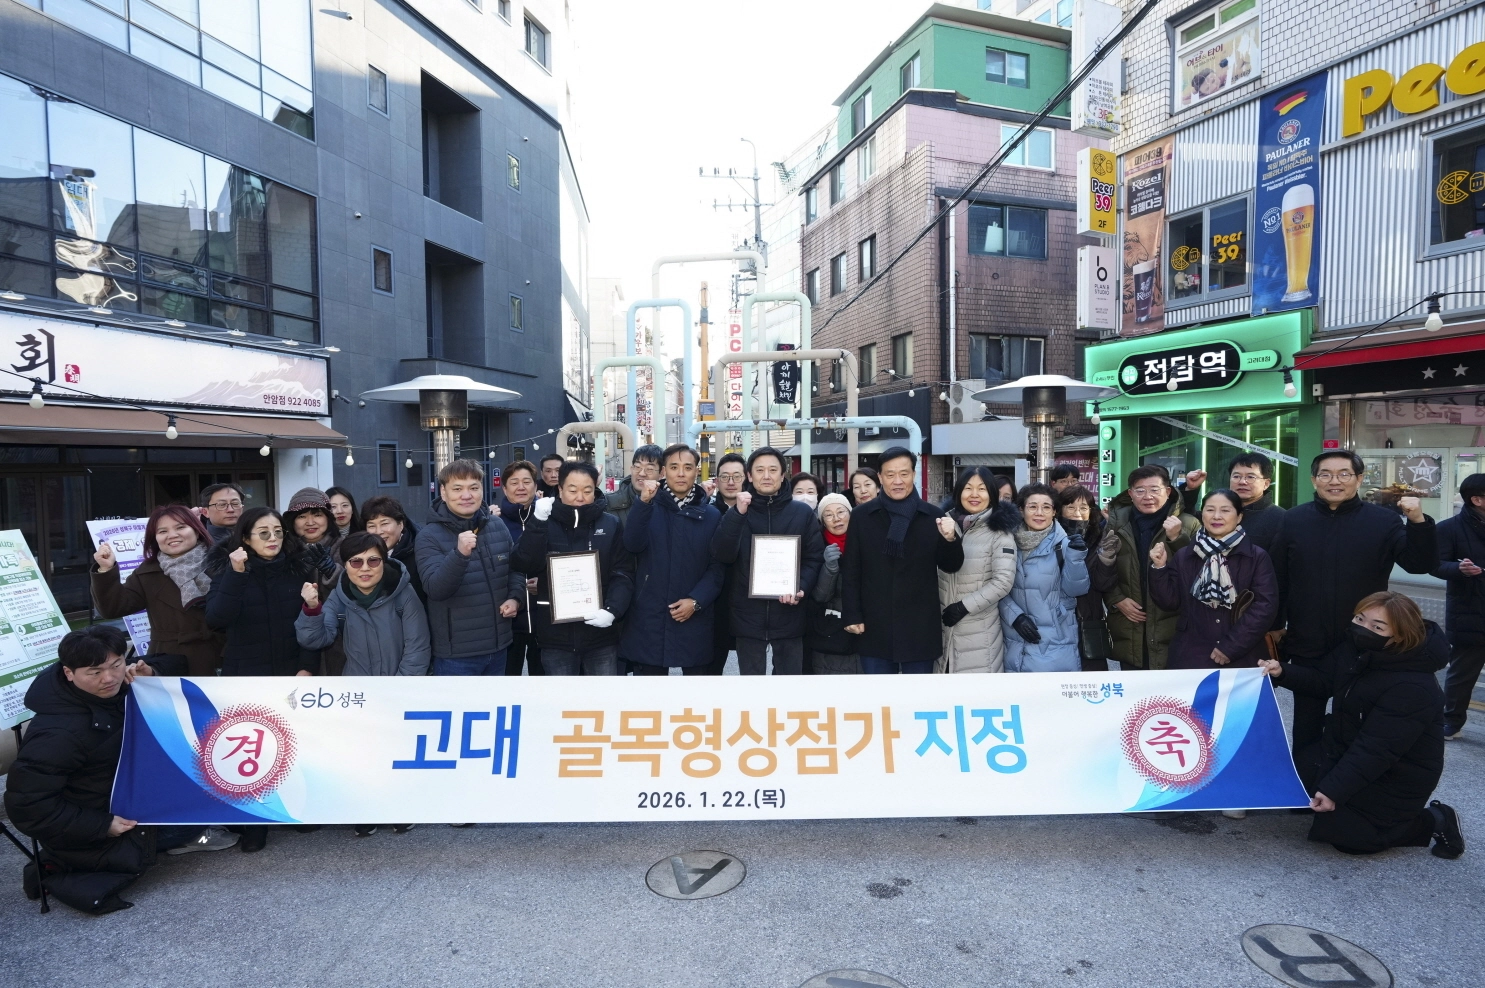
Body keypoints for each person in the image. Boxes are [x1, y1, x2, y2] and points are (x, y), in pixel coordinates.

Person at [3, 627, 236, 913]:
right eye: (95, 672)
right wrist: (102, 826)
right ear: (68, 673)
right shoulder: (56, 733)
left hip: (130, 793)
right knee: (218, 803)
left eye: (116, 665)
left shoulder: (114, 685)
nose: (109, 678)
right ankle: (187, 836)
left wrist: (149, 674)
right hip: (104, 828)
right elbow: (26, 805)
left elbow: (174, 660)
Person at [1260, 592, 1464, 859]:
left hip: (1396, 775)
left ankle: (1436, 819)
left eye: (1377, 626)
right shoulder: (1357, 650)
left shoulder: (1414, 686)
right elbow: (1323, 680)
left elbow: (1376, 749)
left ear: (1400, 635)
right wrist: (1283, 672)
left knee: (1349, 839)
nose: (1363, 628)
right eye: (1360, 618)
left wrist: (1333, 790)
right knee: (1288, 782)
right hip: (1344, 750)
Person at [1270, 450, 1438, 748]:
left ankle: (1343, 787)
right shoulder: (1294, 519)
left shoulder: (1384, 521)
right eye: (1326, 474)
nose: (1335, 481)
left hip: (1364, 643)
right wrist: (1275, 624)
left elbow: (1418, 563)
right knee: (1306, 725)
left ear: (1359, 478)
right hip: (1308, 640)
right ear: (1314, 479)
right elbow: (1278, 578)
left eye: (1344, 474)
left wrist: (1418, 522)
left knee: (1357, 722)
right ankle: (1306, 784)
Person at [297, 532, 429, 837]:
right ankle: (364, 810)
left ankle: (399, 808)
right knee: (361, 752)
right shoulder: (339, 597)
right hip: (356, 691)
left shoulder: (404, 594)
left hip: (397, 688)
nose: (365, 568)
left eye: (373, 560)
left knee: (397, 752)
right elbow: (316, 638)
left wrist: (398, 689)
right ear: (346, 565)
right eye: (356, 561)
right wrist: (312, 609)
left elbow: (417, 646)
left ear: (384, 561)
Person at [205, 508, 319, 853]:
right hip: (247, 674)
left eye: (278, 532)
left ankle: (300, 811)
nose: (273, 540)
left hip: (291, 669)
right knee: (253, 747)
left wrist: (307, 666)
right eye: (263, 533)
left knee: (297, 744)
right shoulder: (230, 571)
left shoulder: (298, 568)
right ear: (245, 538)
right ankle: (255, 822)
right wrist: (236, 574)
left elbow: (311, 623)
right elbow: (216, 618)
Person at [842, 447, 964, 674]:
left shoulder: (932, 516)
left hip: (919, 627)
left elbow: (951, 565)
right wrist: (852, 614)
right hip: (874, 623)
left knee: (917, 701)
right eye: (890, 475)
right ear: (879, 477)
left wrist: (950, 540)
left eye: (904, 474)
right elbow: (851, 570)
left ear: (914, 475)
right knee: (880, 702)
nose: (897, 481)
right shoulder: (861, 516)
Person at [512, 462, 634, 676]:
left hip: (601, 636)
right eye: (572, 490)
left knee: (602, 703)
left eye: (587, 490)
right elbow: (524, 563)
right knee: (561, 704)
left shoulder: (610, 524)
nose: (580, 496)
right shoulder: (544, 521)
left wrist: (613, 610)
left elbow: (622, 573)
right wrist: (537, 522)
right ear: (560, 489)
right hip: (555, 637)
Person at [711, 447, 825, 676]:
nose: (766, 476)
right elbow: (722, 554)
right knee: (752, 688)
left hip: (790, 613)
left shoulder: (801, 513)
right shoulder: (737, 511)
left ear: (783, 475)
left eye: (773, 470)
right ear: (750, 476)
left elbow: (814, 558)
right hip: (747, 614)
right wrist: (737, 515)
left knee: (789, 685)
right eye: (759, 470)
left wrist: (800, 586)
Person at [621, 443, 724, 676]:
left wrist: (696, 600)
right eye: (673, 467)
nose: (680, 473)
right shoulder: (648, 506)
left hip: (695, 616)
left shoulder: (711, 515)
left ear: (696, 471)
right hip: (650, 615)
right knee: (649, 697)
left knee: (695, 698)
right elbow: (632, 544)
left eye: (687, 467)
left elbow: (717, 567)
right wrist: (643, 503)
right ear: (663, 471)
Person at [415, 459, 523, 676]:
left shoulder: (496, 525)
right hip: (456, 655)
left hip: (499, 645)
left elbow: (514, 569)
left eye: (473, 488)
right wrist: (459, 555)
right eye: (457, 489)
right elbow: (435, 589)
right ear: (443, 493)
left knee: (494, 708)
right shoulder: (428, 536)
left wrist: (515, 597)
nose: (466, 495)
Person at [1148, 489, 1278, 670]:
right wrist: (1159, 568)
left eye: (1225, 510)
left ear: (1239, 517)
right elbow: (1169, 602)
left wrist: (1231, 646)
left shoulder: (1256, 556)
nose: (1217, 516)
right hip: (1191, 654)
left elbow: (1265, 607)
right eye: (1210, 510)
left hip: (1242, 655)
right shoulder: (1186, 554)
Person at [91, 505, 221, 677]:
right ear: (155, 538)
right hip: (172, 662)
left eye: (181, 527)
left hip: (223, 655)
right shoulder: (148, 572)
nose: (172, 535)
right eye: (162, 531)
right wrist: (105, 570)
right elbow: (112, 608)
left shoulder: (222, 562)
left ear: (197, 530)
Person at [1102, 465, 1200, 670]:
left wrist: (1177, 539)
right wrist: (1116, 599)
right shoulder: (1117, 524)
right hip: (1129, 624)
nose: (1148, 496)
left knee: (1172, 699)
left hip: (1172, 625)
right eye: (1140, 490)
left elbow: (1197, 573)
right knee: (1133, 696)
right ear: (1130, 494)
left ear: (1168, 491)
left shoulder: (1189, 524)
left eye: (1155, 489)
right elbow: (1103, 569)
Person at [998, 484, 1090, 673]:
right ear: (1021, 509)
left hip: (1055, 642)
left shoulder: (1064, 544)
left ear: (1055, 512)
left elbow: (1077, 590)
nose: (1039, 513)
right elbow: (996, 587)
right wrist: (1015, 617)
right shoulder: (1004, 542)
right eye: (1032, 506)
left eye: (1046, 507)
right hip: (1012, 640)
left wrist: (1076, 556)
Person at [936, 467, 1018, 674]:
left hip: (979, 632)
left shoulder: (1000, 532)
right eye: (968, 488)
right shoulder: (944, 524)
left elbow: (1002, 582)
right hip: (943, 629)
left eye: (981, 489)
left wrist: (963, 607)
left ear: (991, 494)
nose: (974, 495)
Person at [1431, 472, 1485, 740]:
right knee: (1462, 674)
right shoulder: (1449, 528)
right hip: (1469, 611)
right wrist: (1458, 569)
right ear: (1477, 500)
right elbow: (1434, 564)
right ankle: (1451, 722)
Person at [282, 488, 344, 674]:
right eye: (301, 516)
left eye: (317, 515)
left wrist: (333, 571)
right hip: (292, 641)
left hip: (337, 640)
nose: (310, 522)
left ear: (328, 518)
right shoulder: (282, 551)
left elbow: (359, 590)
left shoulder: (345, 547)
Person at [1175, 454, 1286, 553]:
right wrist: (1190, 489)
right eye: (1236, 476)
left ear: (1266, 483)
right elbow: (1188, 519)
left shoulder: (1281, 519)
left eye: (1251, 477)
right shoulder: (1215, 513)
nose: (1242, 481)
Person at [1058, 484, 1117, 673]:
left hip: (1088, 621)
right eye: (1071, 507)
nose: (1077, 513)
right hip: (1055, 621)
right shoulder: (1051, 537)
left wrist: (1107, 559)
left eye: (1083, 508)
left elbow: (1104, 584)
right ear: (1060, 510)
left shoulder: (1101, 538)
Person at [494, 460, 544, 677]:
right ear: (504, 488)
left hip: (544, 619)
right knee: (507, 684)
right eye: (514, 483)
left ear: (535, 486)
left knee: (542, 686)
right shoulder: (493, 522)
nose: (521, 487)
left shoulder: (548, 519)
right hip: (506, 620)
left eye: (526, 481)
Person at [705, 452, 748, 675]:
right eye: (724, 477)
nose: (731, 483)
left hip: (749, 604)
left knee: (754, 676)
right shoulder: (705, 511)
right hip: (713, 604)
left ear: (746, 478)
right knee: (708, 675)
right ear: (717, 480)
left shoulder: (759, 512)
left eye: (736, 476)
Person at [808, 493, 859, 674]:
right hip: (830, 631)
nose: (836, 519)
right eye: (828, 515)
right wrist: (829, 568)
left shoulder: (864, 540)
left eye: (841, 512)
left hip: (864, 627)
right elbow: (820, 596)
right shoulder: (816, 545)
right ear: (822, 520)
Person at [361, 495, 424, 604]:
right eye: (371, 526)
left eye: (384, 524)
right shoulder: (362, 553)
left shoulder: (419, 550)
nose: (378, 531)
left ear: (400, 524)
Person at [604, 444, 663, 523]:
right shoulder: (608, 503)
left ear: (661, 474)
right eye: (637, 467)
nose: (642, 473)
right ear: (631, 469)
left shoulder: (669, 504)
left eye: (649, 469)